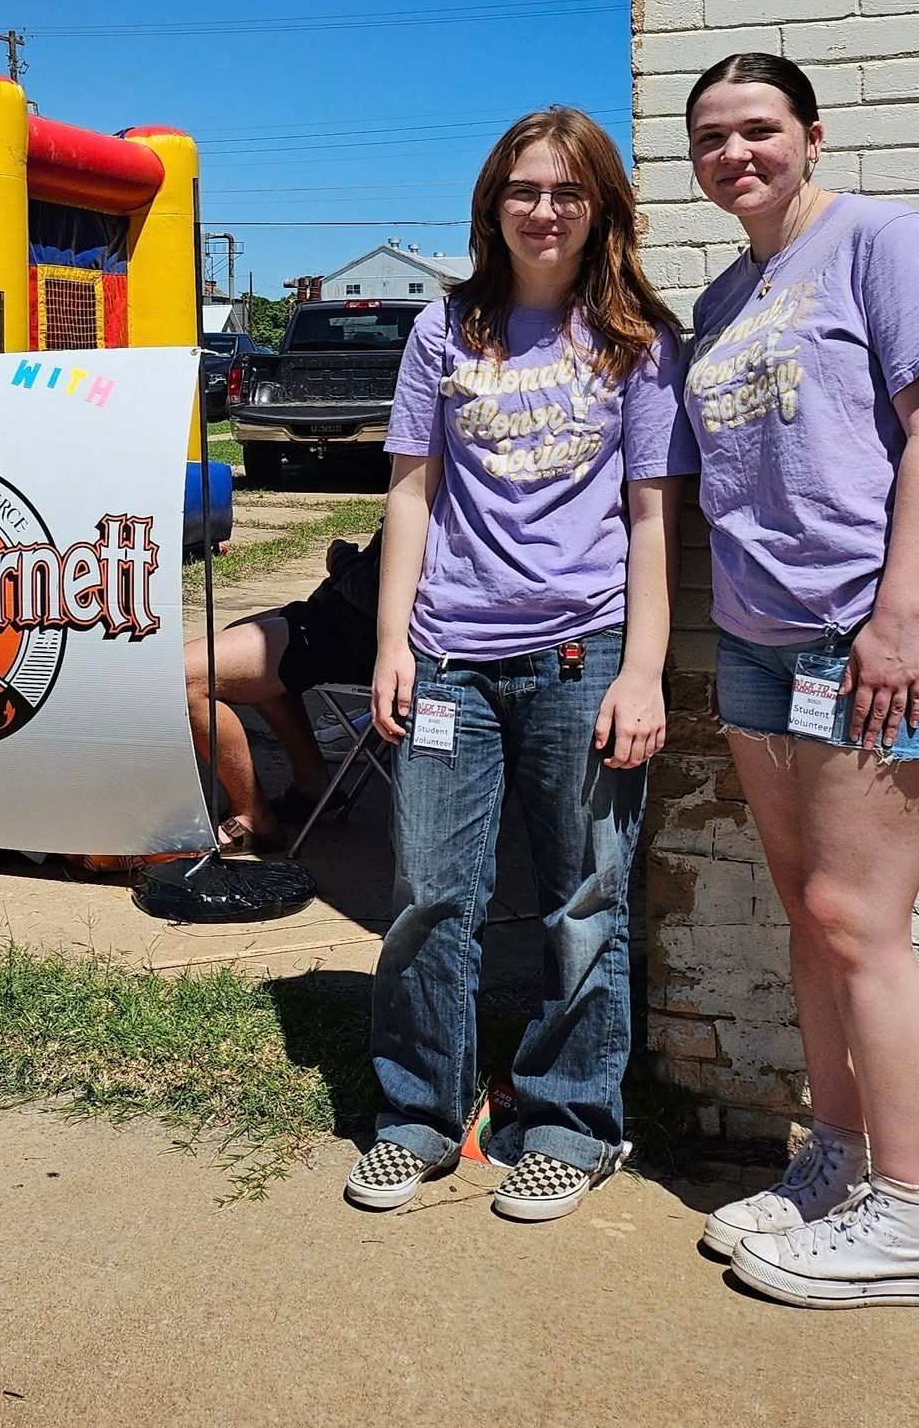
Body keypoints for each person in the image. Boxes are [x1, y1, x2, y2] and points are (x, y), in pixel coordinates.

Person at [343, 105, 694, 1222]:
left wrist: (643, 671)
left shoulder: (636, 340)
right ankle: (419, 1113)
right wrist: (392, 642)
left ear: (602, 208)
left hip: (583, 654)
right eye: (524, 190)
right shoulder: (444, 329)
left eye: (568, 191)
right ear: (493, 205)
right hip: (451, 655)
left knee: (585, 897)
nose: (545, 210)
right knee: (428, 893)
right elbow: (410, 493)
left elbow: (654, 516)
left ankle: (569, 1121)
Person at [683, 52, 919, 1310]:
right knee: (813, 914)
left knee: (860, 921)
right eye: (712, 137)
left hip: (870, 633)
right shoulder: (722, 297)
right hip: (759, 646)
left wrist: (896, 617)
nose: (736, 152)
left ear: (812, 133)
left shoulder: (879, 242)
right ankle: (840, 1163)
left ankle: (908, 1221)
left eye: (759, 127)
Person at [183, 528, 381, 852]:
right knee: (238, 638)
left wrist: (341, 559)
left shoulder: (434, 506)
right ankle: (312, 782)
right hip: (331, 618)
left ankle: (254, 818)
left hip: (350, 636)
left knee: (188, 677)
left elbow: (375, 594)